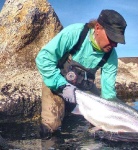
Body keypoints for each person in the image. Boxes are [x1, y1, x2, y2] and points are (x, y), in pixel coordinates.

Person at [35, 9, 127, 138]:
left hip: (84, 90)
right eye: (112, 38)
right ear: (98, 28)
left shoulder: (111, 55)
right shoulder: (75, 33)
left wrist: (116, 117)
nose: (114, 45)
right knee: (50, 127)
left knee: (101, 124)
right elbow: (43, 58)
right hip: (56, 82)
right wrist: (62, 86)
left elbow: (108, 94)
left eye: (117, 41)